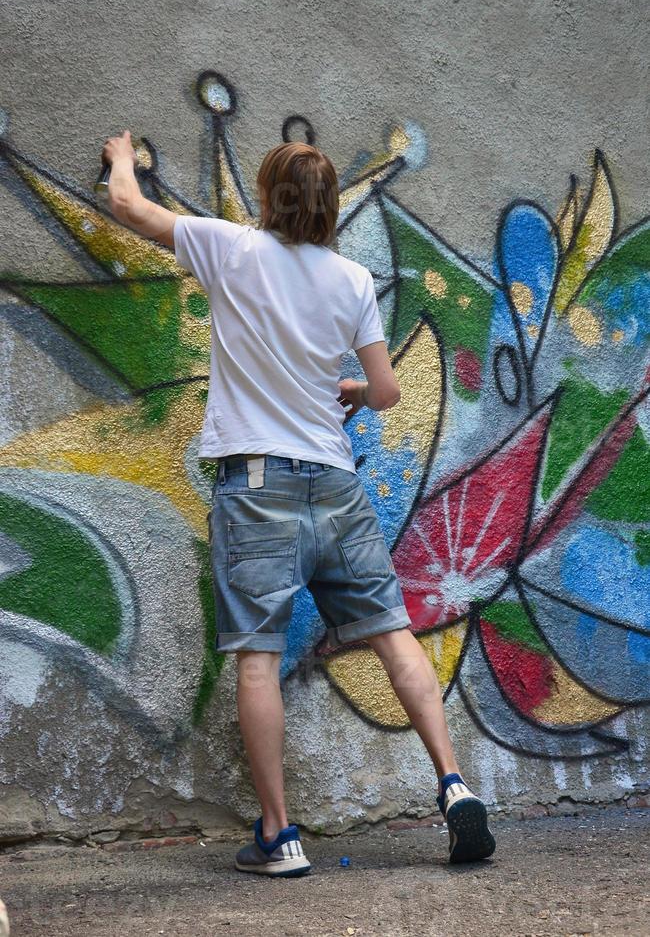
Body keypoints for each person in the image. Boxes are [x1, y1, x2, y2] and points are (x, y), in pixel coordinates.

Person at [102, 130, 496, 875]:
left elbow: (128, 207)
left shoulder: (231, 249)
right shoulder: (350, 280)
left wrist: (122, 155)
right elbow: (385, 393)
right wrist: (345, 387)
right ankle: (453, 782)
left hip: (257, 488)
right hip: (335, 482)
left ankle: (280, 837)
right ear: (329, 208)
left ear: (266, 194)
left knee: (258, 656)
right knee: (390, 632)